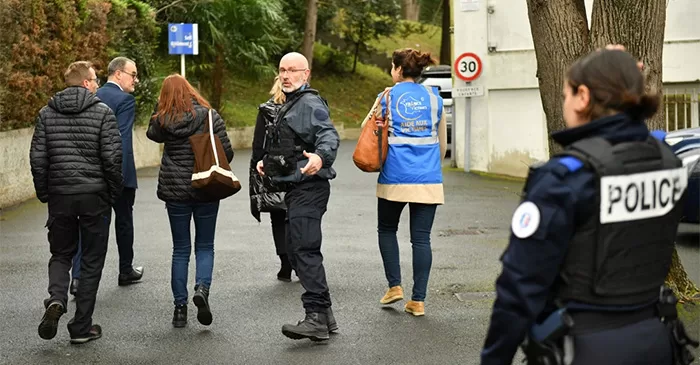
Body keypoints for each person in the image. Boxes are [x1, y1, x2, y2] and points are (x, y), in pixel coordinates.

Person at [480, 47, 699, 365]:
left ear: (583, 97)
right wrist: (617, 70)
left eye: (567, 93)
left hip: (587, 347)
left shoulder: (565, 177)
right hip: (657, 340)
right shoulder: (666, 161)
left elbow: (520, 288)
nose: (564, 102)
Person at [30, 61, 123, 344]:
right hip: (94, 196)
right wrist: (112, 193)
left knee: (61, 253)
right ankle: (81, 327)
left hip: (60, 195)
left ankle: (56, 298)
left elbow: (37, 159)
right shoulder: (103, 113)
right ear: (85, 83)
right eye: (94, 80)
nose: (97, 84)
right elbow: (112, 159)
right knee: (92, 260)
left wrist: (45, 192)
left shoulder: (46, 114)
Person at [255, 52, 340, 341]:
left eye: (293, 70)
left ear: (306, 74)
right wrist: (268, 162)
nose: (286, 75)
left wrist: (321, 156)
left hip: (310, 188)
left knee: (304, 250)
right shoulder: (290, 103)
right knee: (297, 249)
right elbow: (288, 145)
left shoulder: (310, 103)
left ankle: (315, 317)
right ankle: (326, 317)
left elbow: (328, 135)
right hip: (295, 189)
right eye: (282, 70)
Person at [147, 74, 233, 328]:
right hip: (205, 186)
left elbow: (153, 134)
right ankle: (202, 289)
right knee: (205, 245)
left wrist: (159, 107)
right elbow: (225, 151)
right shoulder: (208, 115)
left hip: (175, 191)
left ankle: (179, 309)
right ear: (190, 91)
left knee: (180, 249)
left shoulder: (163, 119)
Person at [367, 48, 447, 317]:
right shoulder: (434, 98)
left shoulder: (387, 96)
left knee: (387, 229)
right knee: (421, 239)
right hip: (429, 177)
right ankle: (418, 301)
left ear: (399, 70)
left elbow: (371, 130)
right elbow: (443, 144)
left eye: (392, 66)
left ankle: (395, 286)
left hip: (395, 176)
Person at [70, 56, 143, 294]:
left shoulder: (93, 97)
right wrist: (117, 178)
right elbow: (119, 141)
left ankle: (78, 278)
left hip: (91, 174)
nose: (136, 80)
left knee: (86, 226)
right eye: (133, 75)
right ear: (119, 74)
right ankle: (125, 269)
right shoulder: (125, 100)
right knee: (124, 222)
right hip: (118, 175)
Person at [249, 76, 293, 282]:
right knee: (296, 215)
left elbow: (258, 142)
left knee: (278, 215)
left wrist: (258, 163)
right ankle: (299, 260)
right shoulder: (300, 107)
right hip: (295, 166)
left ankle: (285, 262)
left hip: (272, 167)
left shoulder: (266, 111)